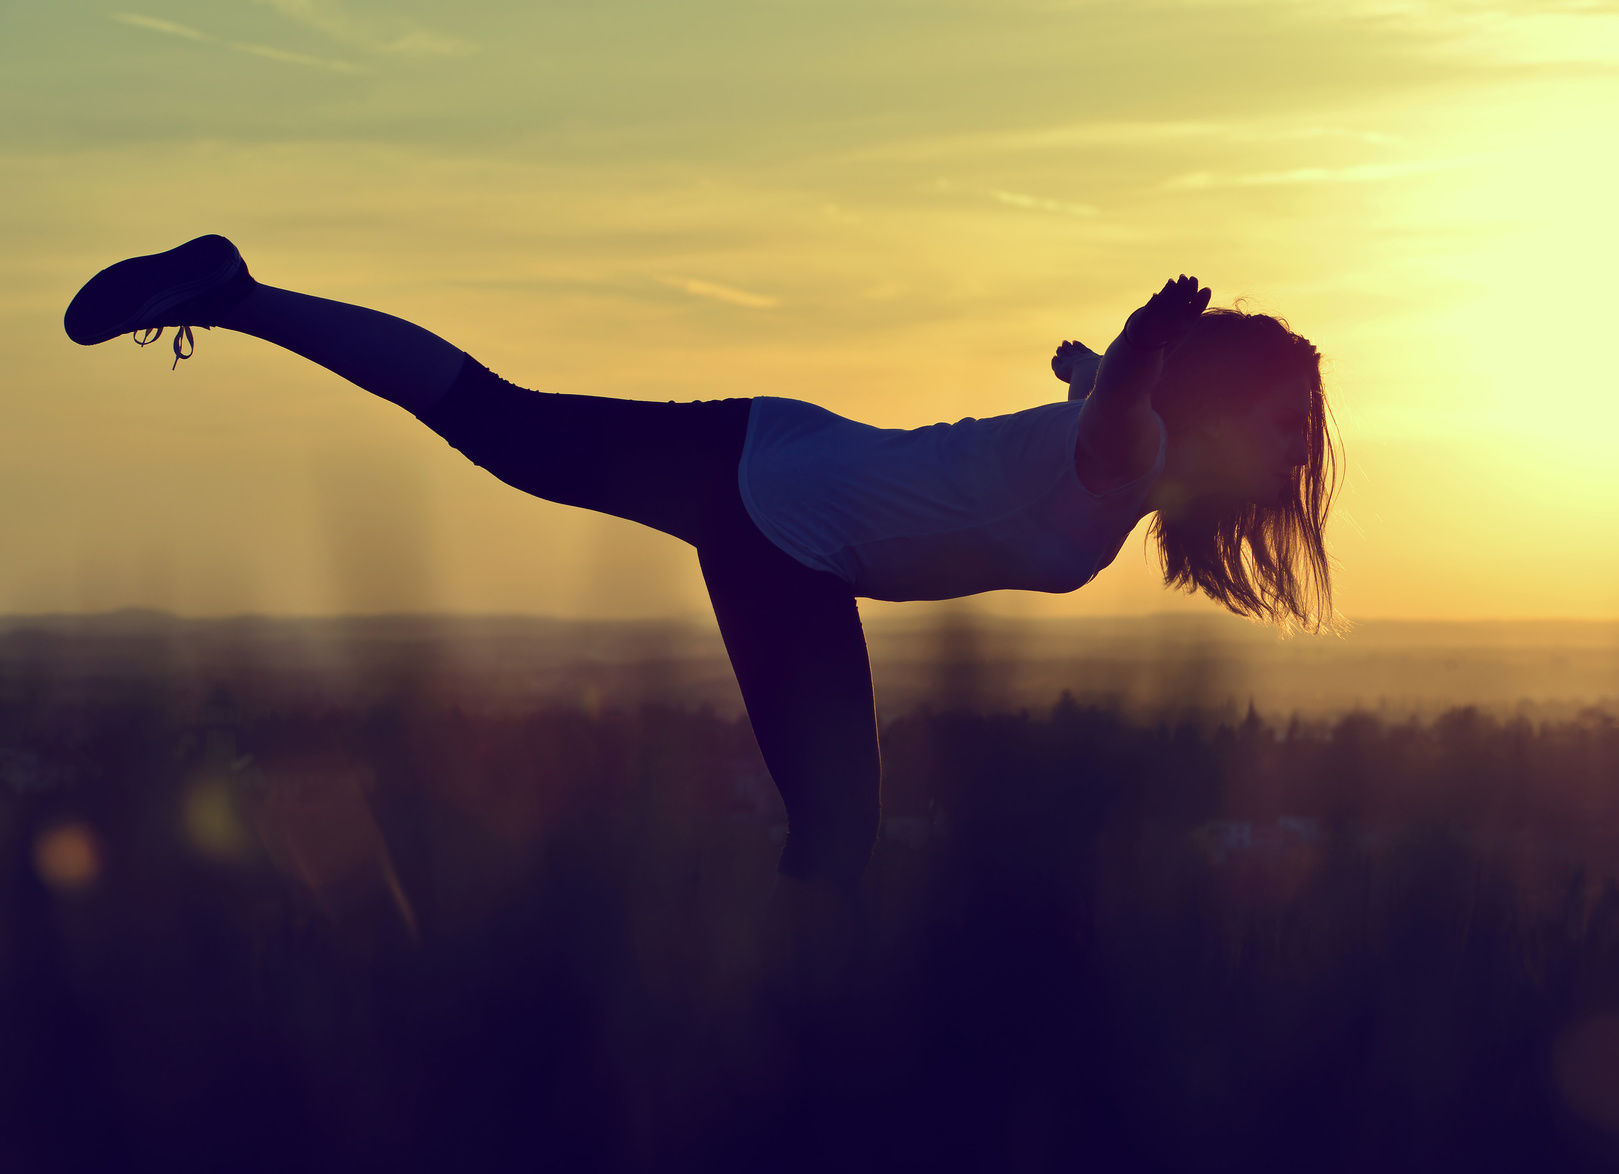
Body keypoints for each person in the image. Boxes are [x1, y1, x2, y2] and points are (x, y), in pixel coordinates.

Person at [63, 235, 1336, 912]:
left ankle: (235, 295)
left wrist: (1092, 356)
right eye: (1285, 418)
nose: (1297, 448)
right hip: (783, 529)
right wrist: (1137, 336)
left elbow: (1089, 392)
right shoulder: (1130, 445)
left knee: (503, 427)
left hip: (769, 446)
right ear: (1211, 400)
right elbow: (1111, 407)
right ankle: (788, 1048)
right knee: (836, 832)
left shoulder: (1136, 446)